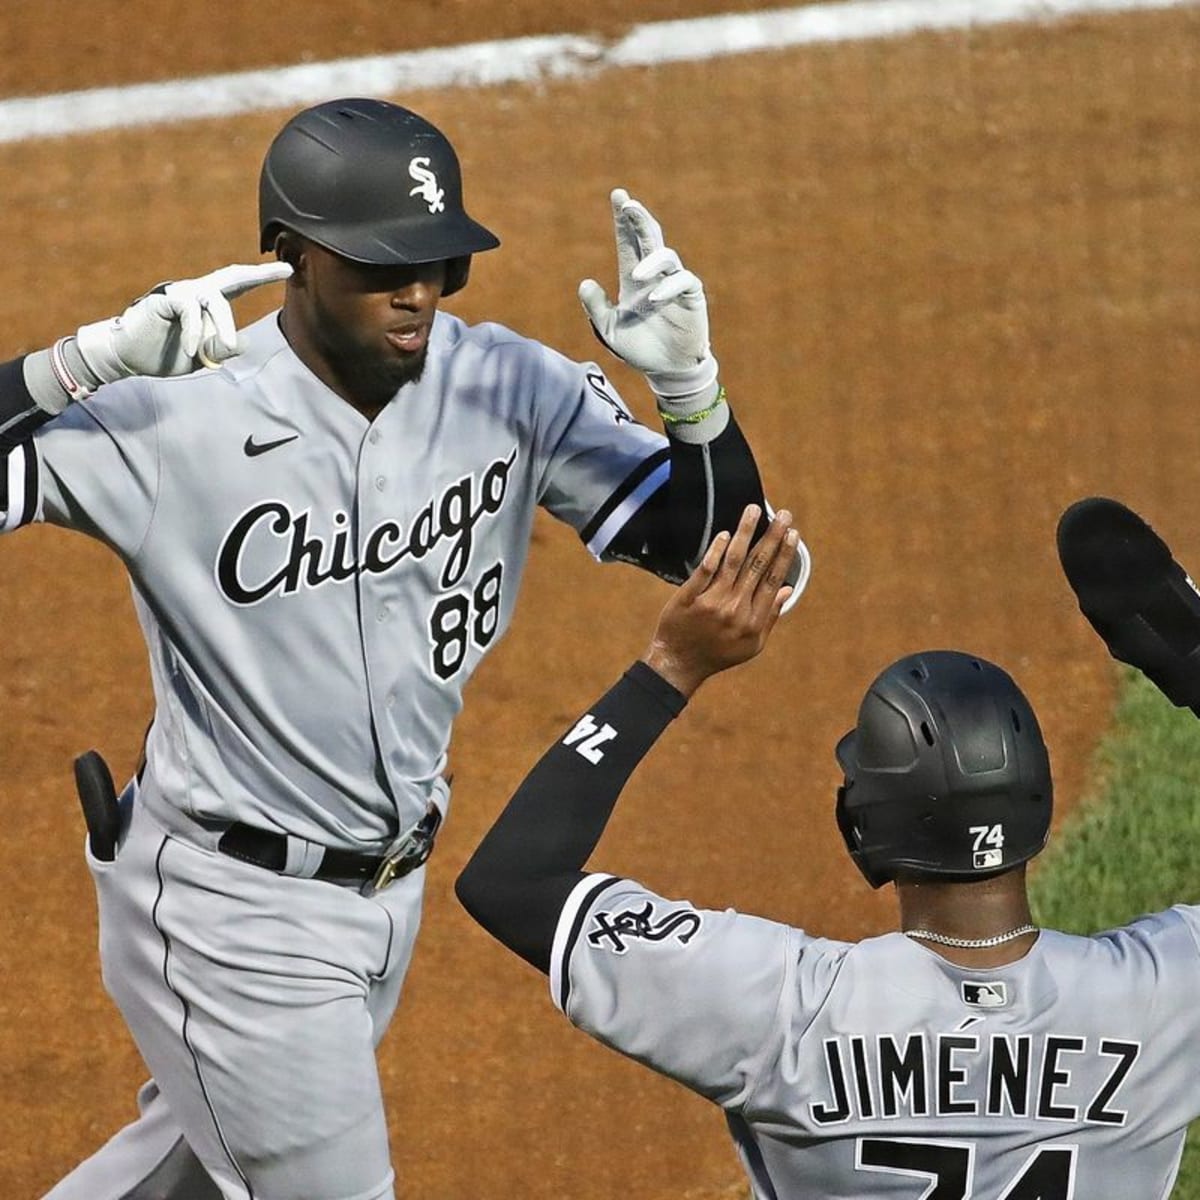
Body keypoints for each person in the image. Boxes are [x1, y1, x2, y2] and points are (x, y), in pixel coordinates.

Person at [0, 97, 808, 1200]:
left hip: (384, 895)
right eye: (381, 267)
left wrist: (692, 398)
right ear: (286, 254)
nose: (416, 292)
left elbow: (725, 560)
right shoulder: (169, 418)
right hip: (235, 915)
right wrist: (74, 368)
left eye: (437, 264)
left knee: (188, 1178)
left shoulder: (503, 385)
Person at [458, 501, 1200, 1199]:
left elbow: (513, 880)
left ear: (863, 826)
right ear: (1039, 802)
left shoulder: (789, 1012)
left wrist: (667, 669)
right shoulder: (1163, 999)